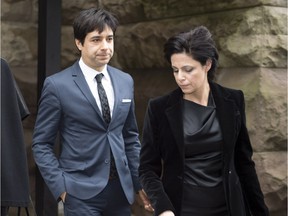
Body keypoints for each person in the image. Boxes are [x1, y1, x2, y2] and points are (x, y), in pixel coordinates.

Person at [138, 26, 269, 216]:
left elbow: (244, 163)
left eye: (188, 69)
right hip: (182, 210)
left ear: (207, 64)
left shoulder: (233, 100)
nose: (180, 77)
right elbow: (147, 168)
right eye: (175, 70)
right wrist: (163, 207)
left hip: (230, 209)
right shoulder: (159, 108)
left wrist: (260, 211)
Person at [32, 8, 151, 216]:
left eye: (109, 39)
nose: (105, 46)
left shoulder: (125, 81)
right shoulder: (57, 85)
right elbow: (41, 144)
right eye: (96, 39)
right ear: (79, 43)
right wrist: (62, 189)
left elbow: (130, 137)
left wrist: (139, 182)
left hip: (121, 192)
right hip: (79, 194)